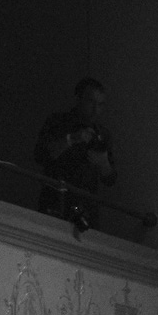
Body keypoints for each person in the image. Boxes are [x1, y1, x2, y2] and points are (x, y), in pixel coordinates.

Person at [34, 77, 116, 229]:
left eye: (100, 104)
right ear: (79, 99)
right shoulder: (58, 122)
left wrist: (104, 163)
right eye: (91, 102)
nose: (95, 109)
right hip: (56, 202)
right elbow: (40, 155)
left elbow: (110, 179)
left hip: (87, 209)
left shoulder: (103, 134)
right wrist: (71, 139)